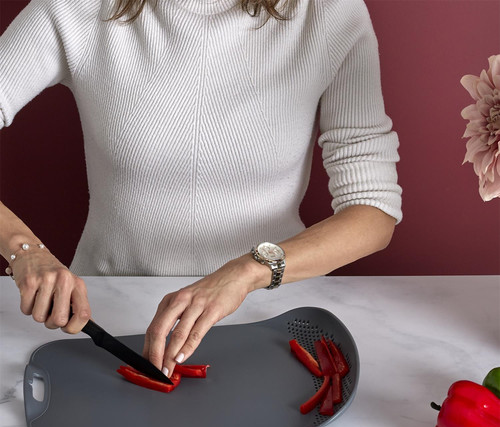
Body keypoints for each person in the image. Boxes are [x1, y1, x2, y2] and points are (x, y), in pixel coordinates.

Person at [0, 0, 402, 378]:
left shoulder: (329, 12)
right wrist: (23, 249)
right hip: (107, 319)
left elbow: (372, 212)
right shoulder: (76, 8)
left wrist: (246, 272)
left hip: (270, 320)